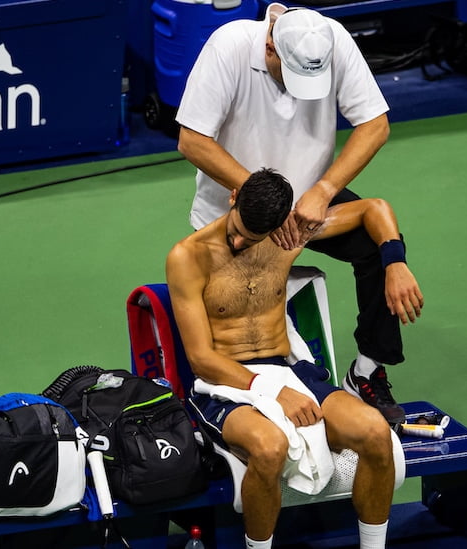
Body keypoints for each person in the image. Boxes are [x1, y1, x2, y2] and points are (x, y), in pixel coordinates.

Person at [175, 3, 414, 423]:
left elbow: (375, 125)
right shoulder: (228, 47)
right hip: (240, 214)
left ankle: (368, 369)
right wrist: (264, 199)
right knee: (238, 332)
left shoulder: (329, 38)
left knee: (377, 249)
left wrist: (324, 189)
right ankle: (225, 406)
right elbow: (192, 141)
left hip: (307, 207)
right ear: (270, 47)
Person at [165, 168, 423, 549]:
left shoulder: (290, 236)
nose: (236, 240)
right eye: (236, 229)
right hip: (224, 384)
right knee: (270, 448)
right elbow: (202, 360)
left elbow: (376, 209)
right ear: (233, 197)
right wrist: (273, 392)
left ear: (279, 227)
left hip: (288, 370)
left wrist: (395, 262)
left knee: (375, 434)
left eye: (250, 238)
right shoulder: (188, 256)